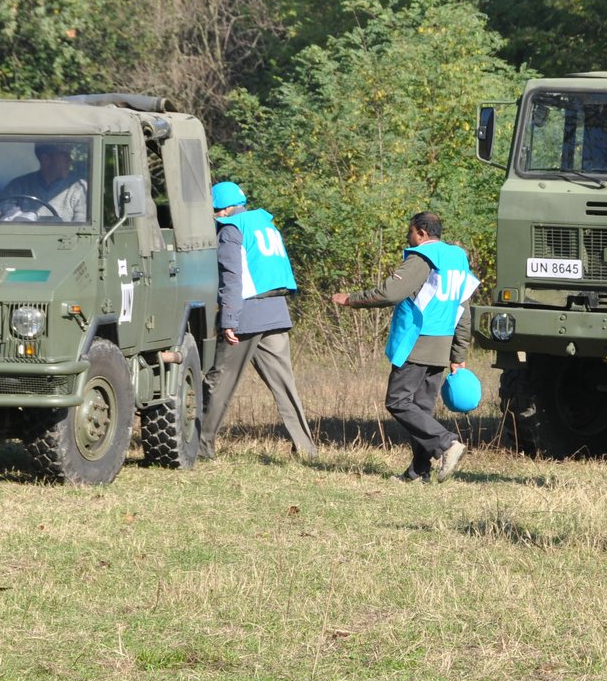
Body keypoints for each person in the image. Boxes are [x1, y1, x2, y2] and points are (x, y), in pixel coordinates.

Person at [331, 212, 479, 482]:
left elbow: (390, 293)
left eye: (410, 232)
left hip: (417, 341)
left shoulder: (422, 258)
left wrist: (351, 299)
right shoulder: (458, 259)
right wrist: (457, 354)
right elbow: (463, 309)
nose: (408, 237)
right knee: (421, 409)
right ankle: (418, 471)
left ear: (422, 232)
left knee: (398, 401)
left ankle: (446, 443)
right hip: (442, 344)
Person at [199, 181, 317, 460]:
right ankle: (306, 449)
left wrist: (228, 319)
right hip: (276, 310)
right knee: (285, 385)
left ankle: (201, 446)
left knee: (219, 382)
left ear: (224, 209)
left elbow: (232, 277)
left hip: (247, 314)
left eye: (214, 210)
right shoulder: (265, 224)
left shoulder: (231, 229)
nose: (213, 215)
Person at [0, 142, 87, 221]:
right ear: (45, 159)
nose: (70, 160)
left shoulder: (79, 188)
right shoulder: (17, 186)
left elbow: (83, 228)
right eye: (65, 155)